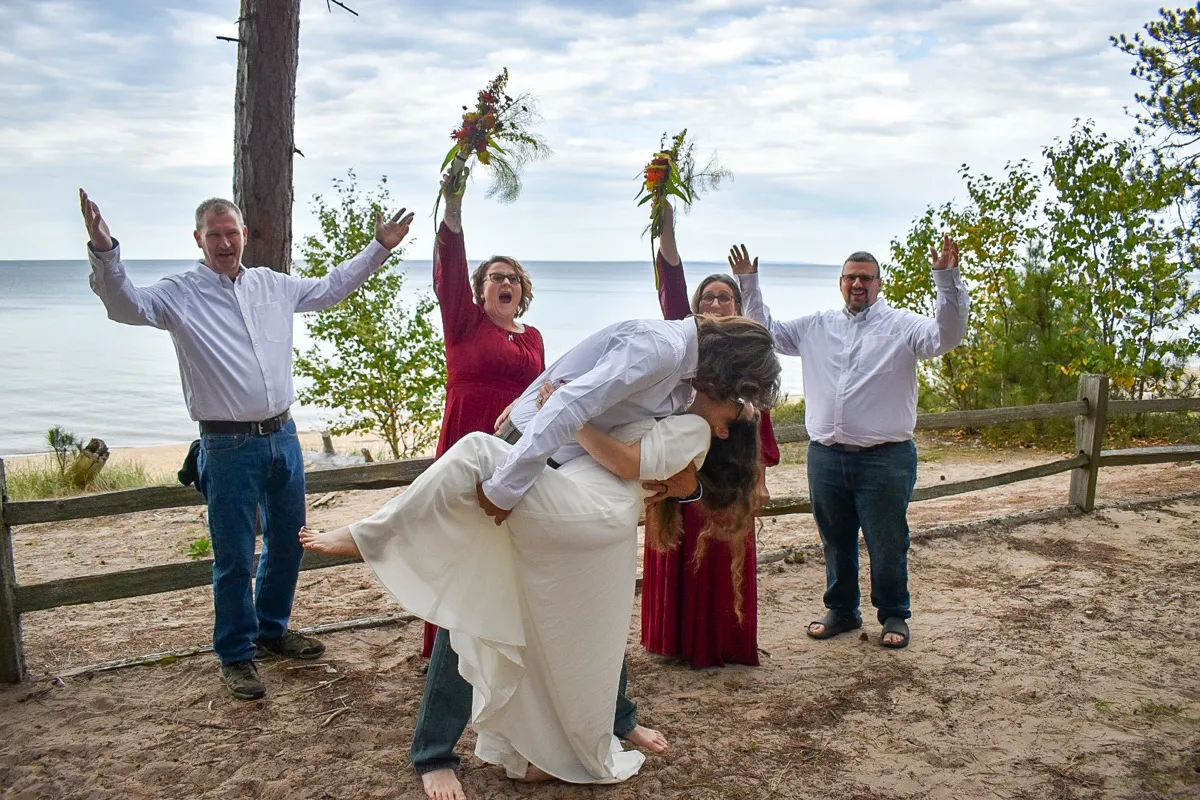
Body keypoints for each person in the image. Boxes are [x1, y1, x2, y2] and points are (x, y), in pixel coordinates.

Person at [400, 310, 780, 800]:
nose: (739, 402)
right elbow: (573, 402)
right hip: (534, 463)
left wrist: (685, 489)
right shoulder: (661, 352)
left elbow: (613, 410)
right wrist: (507, 482)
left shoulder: (689, 386)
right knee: (476, 597)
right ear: (728, 371)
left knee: (595, 611)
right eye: (741, 393)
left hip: (581, 490)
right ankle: (434, 754)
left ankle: (615, 720)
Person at [300, 387, 762, 786]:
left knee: (480, 453)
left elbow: (632, 460)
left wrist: (567, 411)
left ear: (723, 427)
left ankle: (371, 537)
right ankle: (533, 754)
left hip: (586, 511)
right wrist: (535, 402)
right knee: (550, 628)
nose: (727, 394)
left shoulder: (694, 424)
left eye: (734, 403)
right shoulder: (672, 393)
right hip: (571, 500)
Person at [78, 189, 415, 699]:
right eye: (214, 234)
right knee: (234, 556)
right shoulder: (179, 293)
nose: (224, 242)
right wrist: (105, 249)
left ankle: (272, 630)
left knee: (287, 544)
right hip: (228, 446)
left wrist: (380, 248)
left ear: (245, 236)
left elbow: (330, 289)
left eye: (231, 233)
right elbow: (125, 305)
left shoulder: (272, 285)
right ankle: (236, 654)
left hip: (283, 435)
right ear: (199, 239)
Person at [731, 237, 968, 648]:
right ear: (840, 282)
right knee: (835, 539)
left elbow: (947, 335)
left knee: (888, 540)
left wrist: (946, 280)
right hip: (825, 455)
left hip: (886, 459)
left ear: (880, 284)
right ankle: (842, 610)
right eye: (850, 277)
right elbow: (765, 333)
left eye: (866, 278)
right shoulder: (817, 326)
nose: (857, 284)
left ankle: (894, 614)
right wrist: (748, 284)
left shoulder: (904, 326)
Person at [642, 204, 781, 667]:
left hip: (730, 474)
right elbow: (672, 286)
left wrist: (758, 480)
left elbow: (760, 417)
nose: (715, 304)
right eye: (708, 299)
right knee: (679, 547)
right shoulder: (686, 347)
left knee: (724, 558)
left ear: (738, 308)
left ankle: (724, 643)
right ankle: (676, 641)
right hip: (682, 461)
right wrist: (665, 226)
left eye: (725, 298)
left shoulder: (747, 355)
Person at [420, 174, 546, 659]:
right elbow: (448, 271)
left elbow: (538, 389)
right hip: (467, 435)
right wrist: (453, 207)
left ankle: (498, 641)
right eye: (496, 277)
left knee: (508, 538)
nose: (506, 283)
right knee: (461, 537)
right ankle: (449, 650)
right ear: (480, 290)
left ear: (522, 289)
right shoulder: (464, 322)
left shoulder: (532, 336)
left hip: (517, 444)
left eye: (513, 277)